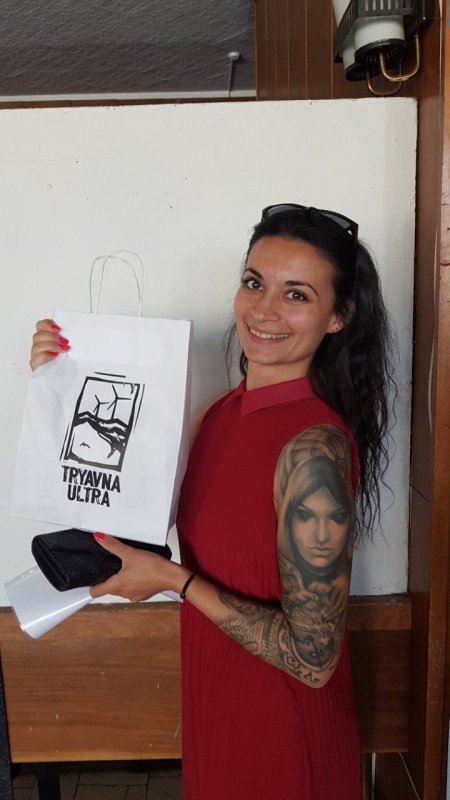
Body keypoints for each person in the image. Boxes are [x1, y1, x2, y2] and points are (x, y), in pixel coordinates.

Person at [30, 203, 395, 800]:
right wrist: (62, 385)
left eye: (296, 294)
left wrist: (173, 579)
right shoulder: (219, 414)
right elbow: (118, 506)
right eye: (254, 282)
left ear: (338, 317)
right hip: (219, 705)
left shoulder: (314, 450)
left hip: (283, 733)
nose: (264, 309)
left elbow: (313, 659)